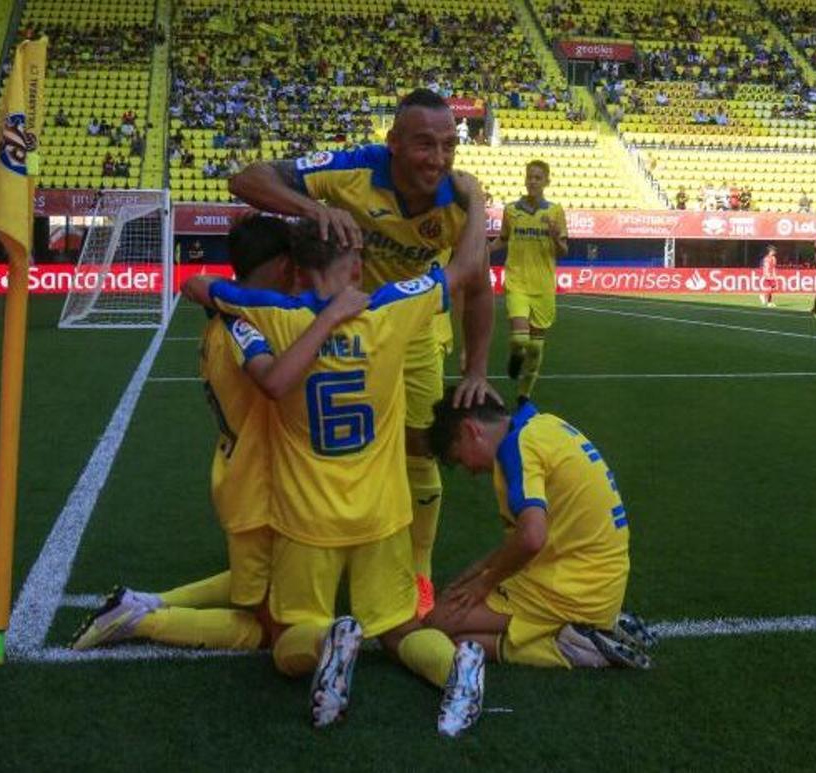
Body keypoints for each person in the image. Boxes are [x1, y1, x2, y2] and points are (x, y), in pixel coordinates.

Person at [180, 202, 491, 737]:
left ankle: (330, 640)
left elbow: (199, 286)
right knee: (399, 629)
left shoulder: (274, 314)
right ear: (356, 266)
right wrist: (475, 198)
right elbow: (466, 268)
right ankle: (455, 667)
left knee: (288, 640)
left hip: (308, 519)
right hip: (383, 512)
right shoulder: (392, 306)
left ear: (297, 269)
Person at [227, 88, 498, 616]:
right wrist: (312, 207)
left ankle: (417, 570)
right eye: (424, 145)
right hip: (338, 321)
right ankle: (305, 542)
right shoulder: (351, 170)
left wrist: (477, 368)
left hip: (413, 327)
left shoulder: (458, 201)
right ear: (392, 143)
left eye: (448, 147)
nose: (438, 160)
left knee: (417, 447)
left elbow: (480, 285)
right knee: (322, 437)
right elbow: (246, 179)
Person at [71, 216, 366, 655]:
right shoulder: (245, 325)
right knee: (264, 630)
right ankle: (144, 621)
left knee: (268, 579)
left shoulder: (231, 314)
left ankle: (147, 602)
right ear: (287, 267)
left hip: (242, 474)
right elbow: (274, 379)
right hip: (258, 489)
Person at [422, 390, 655, 671]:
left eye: (460, 459)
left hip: (572, 587)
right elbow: (525, 538)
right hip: (597, 580)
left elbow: (532, 539)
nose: (469, 470)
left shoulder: (516, 449)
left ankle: (576, 646)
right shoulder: (544, 425)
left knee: (437, 624)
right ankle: (584, 627)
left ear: (471, 430)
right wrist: (478, 571)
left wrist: (483, 584)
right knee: (461, 630)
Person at [488, 160, 567, 404]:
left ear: (546, 182)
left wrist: (555, 237)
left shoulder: (555, 212)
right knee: (520, 340)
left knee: (536, 348)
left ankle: (524, 394)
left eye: (538, 178)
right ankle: (515, 355)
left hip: (543, 286)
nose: (533, 181)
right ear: (525, 179)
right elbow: (502, 239)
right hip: (517, 281)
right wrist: (481, 254)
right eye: (529, 177)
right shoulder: (511, 210)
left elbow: (563, 250)